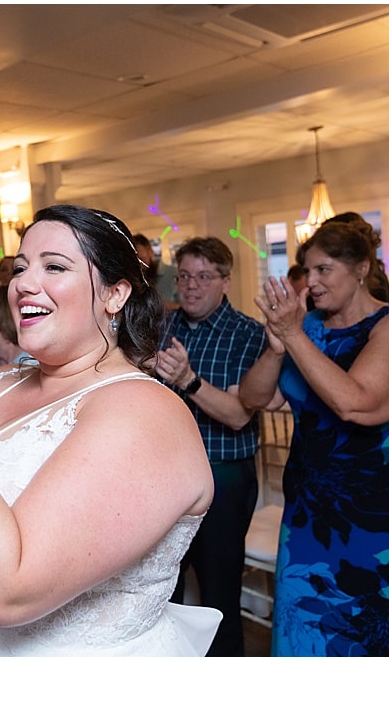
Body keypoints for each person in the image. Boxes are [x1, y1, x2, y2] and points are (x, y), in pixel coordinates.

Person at [0, 204, 219, 656]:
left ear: (115, 294)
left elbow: (6, 594)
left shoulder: (144, 413)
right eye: (20, 268)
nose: (23, 284)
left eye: (53, 266)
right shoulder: (0, 382)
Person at [238, 219, 389, 656]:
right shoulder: (308, 329)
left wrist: (293, 336)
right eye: (307, 270)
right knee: (312, 625)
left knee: (387, 628)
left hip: (387, 511)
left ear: (361, 269)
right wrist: (277, 347)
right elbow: (255, 397)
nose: (311, 282)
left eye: (324, 269)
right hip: (314, 509)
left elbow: (357, 404)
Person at [154, 236, 270, 657]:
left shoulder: (247, 334)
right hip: (165, 476)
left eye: (204, 276)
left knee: (219, 594)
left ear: (225, 281)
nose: (191, 286)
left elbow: (240, 414)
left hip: (223, 475)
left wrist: (188, 380)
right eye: (185, 276)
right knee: (160, 589)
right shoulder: (164, 327)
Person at [132, 233, 178, 308]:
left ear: (151, 252)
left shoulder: (173, 273)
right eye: (134, 261)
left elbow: (190, 307)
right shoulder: (133, 280)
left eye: (142, 259)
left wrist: (165, 307)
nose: (139, 265)